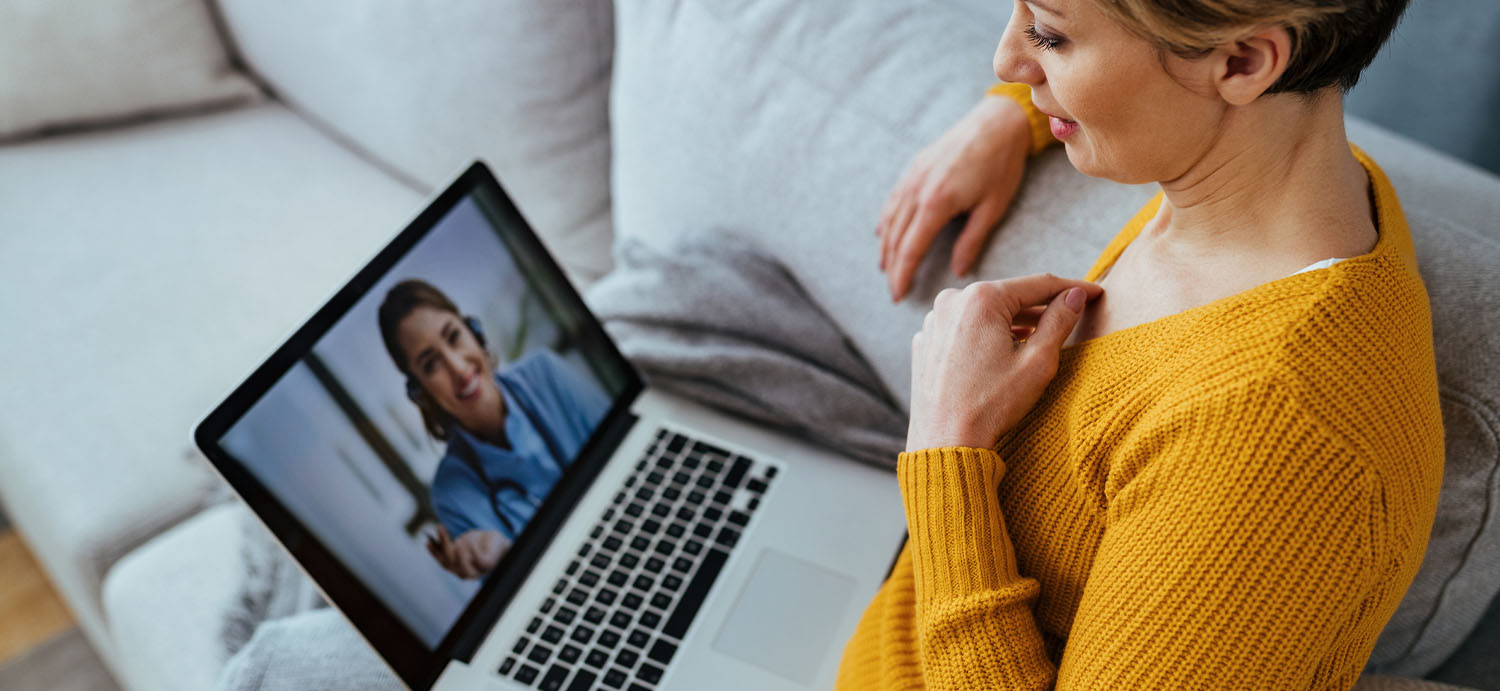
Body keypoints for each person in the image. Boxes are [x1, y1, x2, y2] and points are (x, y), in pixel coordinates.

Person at [844, 0, 1444, 688]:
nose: (1006, 61)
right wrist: (1012, 114)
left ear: (1244, 62)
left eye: (1049, 35)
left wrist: (946, 450)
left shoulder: (1275, 436)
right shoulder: (1285, 172)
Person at [378, 279, 610, 580]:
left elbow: (627, 451)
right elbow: (522, 595)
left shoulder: (546, 373)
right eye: (431, 364)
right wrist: (503, 555)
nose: (460, 370)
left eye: (454, 336)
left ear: (474, 333)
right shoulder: (452, 494)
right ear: (420, 392)